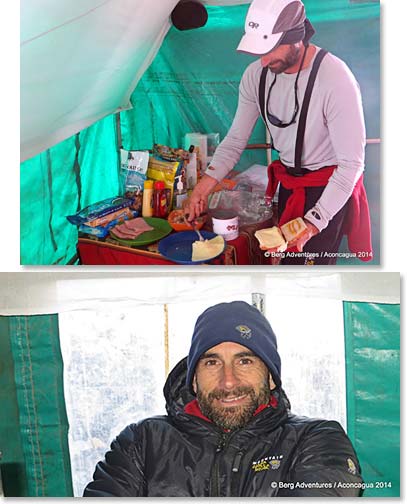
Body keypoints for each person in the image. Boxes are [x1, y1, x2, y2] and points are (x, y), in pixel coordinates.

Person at [84, 301, 363, 497]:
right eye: (211, 363)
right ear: (194, 378)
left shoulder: (316, 439)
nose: (228, 381)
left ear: (271, 377)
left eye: (244, 361)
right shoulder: (143, 441)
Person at [184, 0, 372, 265]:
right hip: (289, 183)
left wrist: (314, 221)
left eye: (270, 49)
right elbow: (236, 140)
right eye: (258, 51)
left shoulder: (335, 78)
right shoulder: (255, 76)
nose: (263, 59)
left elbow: (351, 164)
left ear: (297, 37)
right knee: (282, 261)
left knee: (310, 270)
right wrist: (203, 187)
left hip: (329, 186)